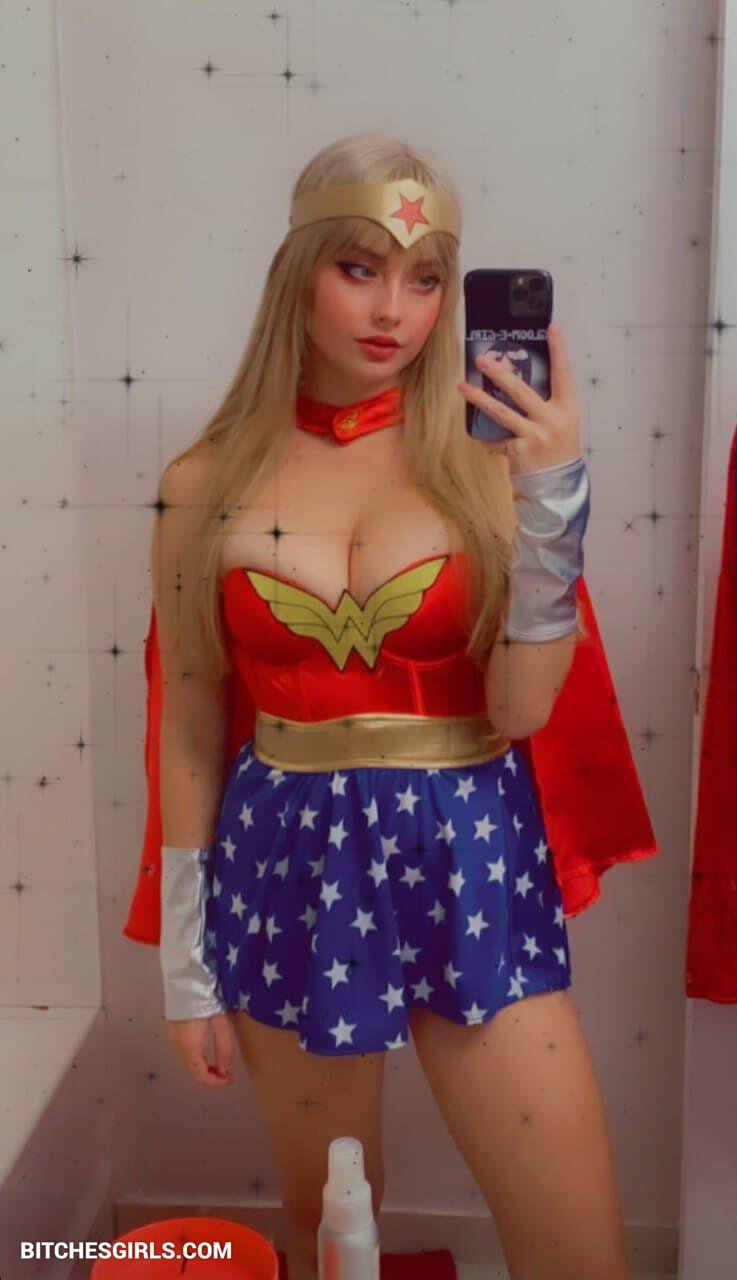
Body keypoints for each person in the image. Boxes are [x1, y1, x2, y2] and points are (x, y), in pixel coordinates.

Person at [127, 133, 650, 1280]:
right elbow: (188, 726)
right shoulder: (201, 484)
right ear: (298, 271)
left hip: (469, 849)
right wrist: (184, 967)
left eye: (425, 278)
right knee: (333, 1232)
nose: (392, 311)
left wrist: (554, 494)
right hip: (284, 859)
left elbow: (520, 708)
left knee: (579, 1253)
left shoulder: (489, 467)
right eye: (359, 268)